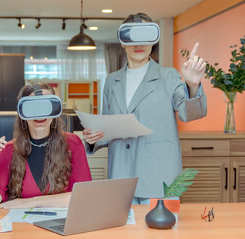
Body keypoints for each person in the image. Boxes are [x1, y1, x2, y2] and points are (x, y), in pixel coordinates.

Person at [83, 13, 207, 204]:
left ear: (153, 40)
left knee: (161, 234)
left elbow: (188, 113)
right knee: (123, 233)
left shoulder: (168, 76)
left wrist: (193, 85)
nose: (138, 44)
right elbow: (107, 127)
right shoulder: (111, 81)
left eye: (145, 36)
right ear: (122, 41)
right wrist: (93, 138)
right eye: (132, 37)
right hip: (121, 177)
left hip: (159, 176)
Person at [0, 83, 92, 209]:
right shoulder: (8, 151)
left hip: (61, 225)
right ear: (23, 113)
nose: (40, 115)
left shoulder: (73, 144)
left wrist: (33, 202)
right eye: (33, 107)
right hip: (23, 226)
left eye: (45, 106)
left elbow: (83, 197)